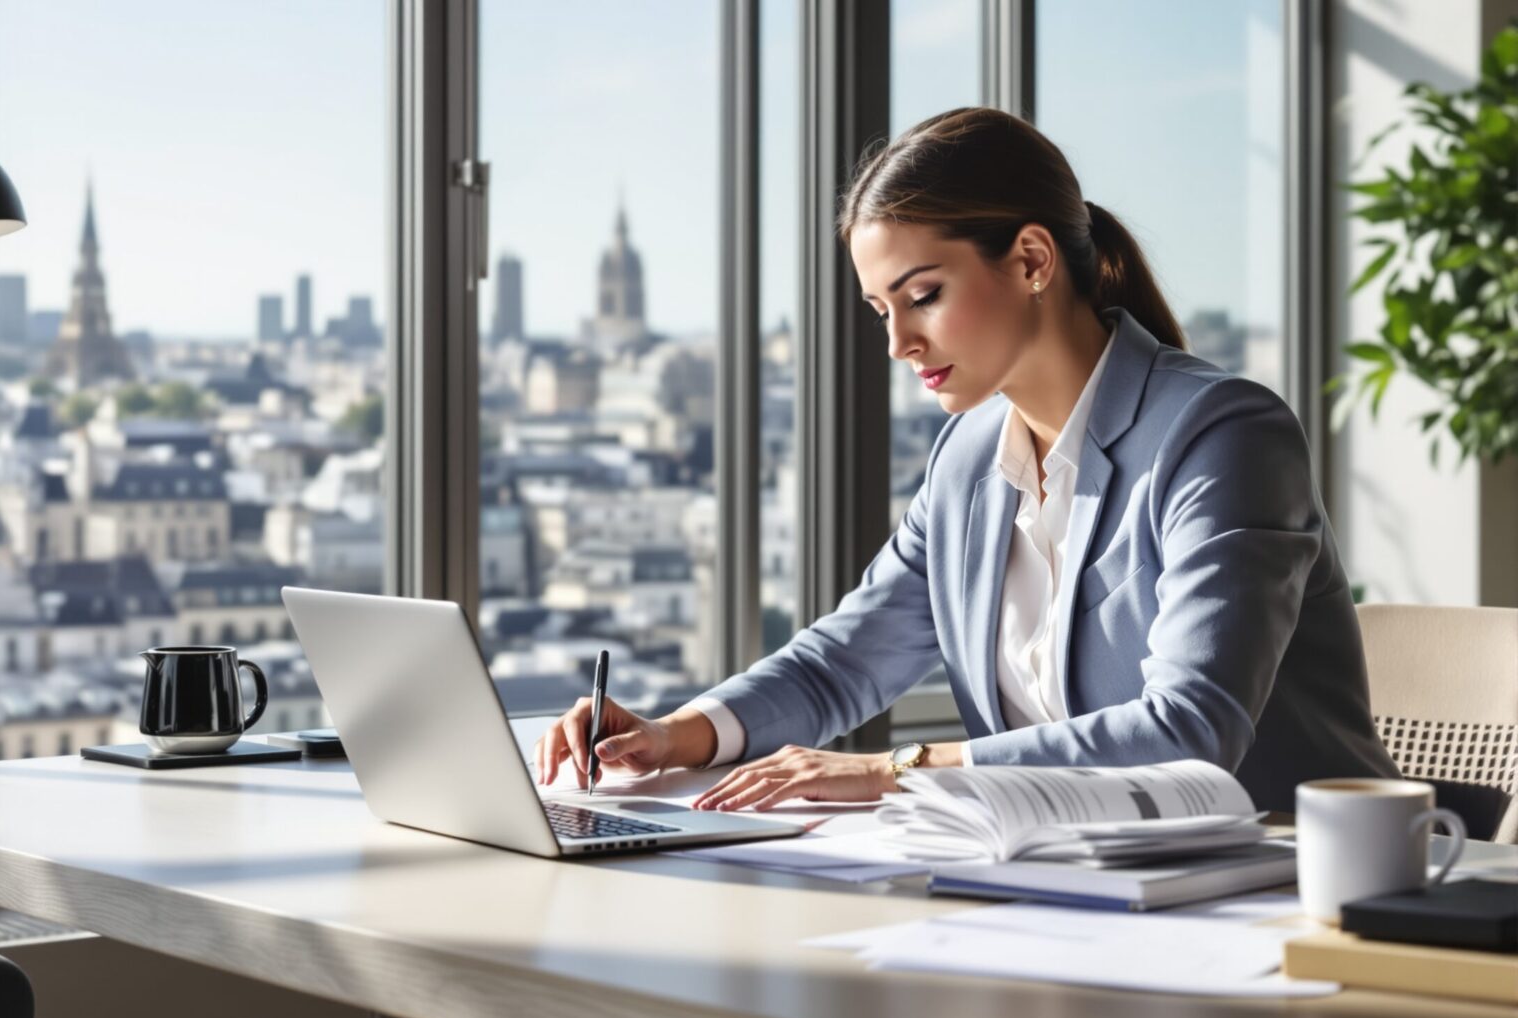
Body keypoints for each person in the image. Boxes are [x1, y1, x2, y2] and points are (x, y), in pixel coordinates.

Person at [534, 106, 1397, 813]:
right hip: (1061, 881)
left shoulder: (1222, 434)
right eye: (881, 310)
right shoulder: (969, 458)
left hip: (1276, 888)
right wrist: (670, 734)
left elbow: (1191, 727)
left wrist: (895, 769)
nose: (899, 343)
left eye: (923, 296)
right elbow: (846, 659)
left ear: (1030, 260)